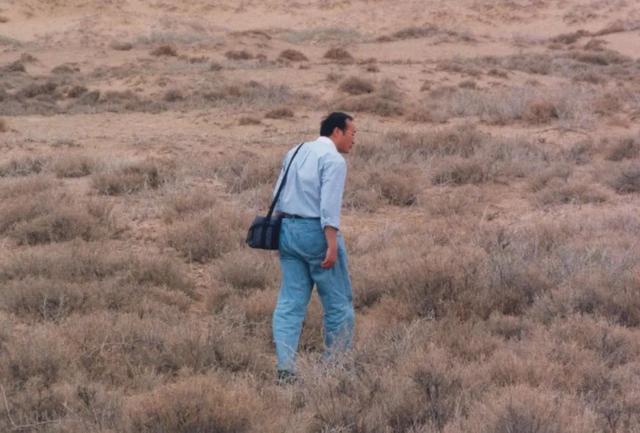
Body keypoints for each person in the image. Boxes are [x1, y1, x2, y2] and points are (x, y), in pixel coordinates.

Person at [271, 112, 356, 383]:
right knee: (338, 304)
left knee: (290, 303)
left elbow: (277, 195)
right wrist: (331, 244)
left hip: (287, 229)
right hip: (316, 232)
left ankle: (285, 368)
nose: (354, 139)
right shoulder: (333, 160)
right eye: (352, 133)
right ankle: (333, 368)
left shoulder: (296, 151)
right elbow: (329, 206)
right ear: (337, 132)